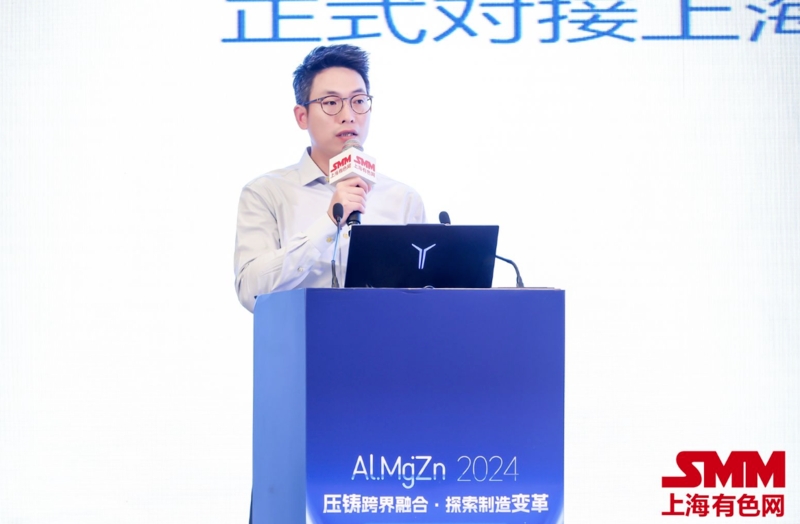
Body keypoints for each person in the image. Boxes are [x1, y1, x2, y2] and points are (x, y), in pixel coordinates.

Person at [234, 44, 426, 312]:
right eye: (331, 103)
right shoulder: (266, 193)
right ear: (302, 116)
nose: (348, 116)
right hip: (303, 337)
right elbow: (250, 290)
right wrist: (327, 224)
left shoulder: (403, 199)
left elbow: (423, 295)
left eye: (359, 101)